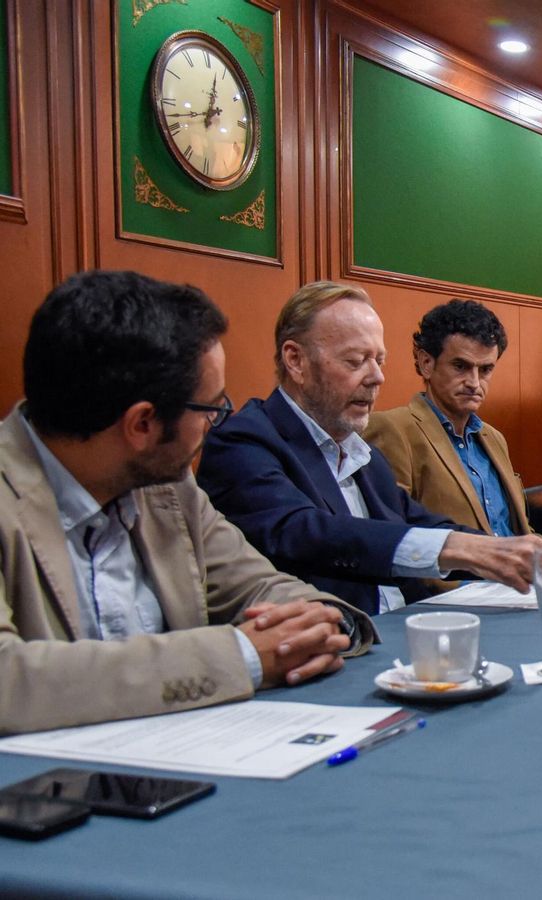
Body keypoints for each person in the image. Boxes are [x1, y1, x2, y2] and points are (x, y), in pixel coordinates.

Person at [0, 271, 374, 735]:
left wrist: (314, 621)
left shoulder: (169, 490)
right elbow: (9, 678)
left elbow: (257, 585)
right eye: (211, 409)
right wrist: (239, 656)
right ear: (142, 424)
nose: (216, 425)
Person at [197, 282, 542, 616]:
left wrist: (503, 551)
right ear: (296, 360)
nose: (377, 377)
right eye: (355, 361)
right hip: (340, 647)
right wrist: (460, 550)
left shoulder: (360, 453)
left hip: (412, 626)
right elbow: (302, 531)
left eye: (379, 360)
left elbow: (417, 521)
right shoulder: (244, 439)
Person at [364, 299, 531, 537]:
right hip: (457, 574)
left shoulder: (494, 438)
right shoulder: (393, 429)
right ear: (426, 363)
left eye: (485, 370)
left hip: (522, 571)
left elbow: (518, 532)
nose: (474, 383)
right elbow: (392, 536)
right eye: (460, 366)